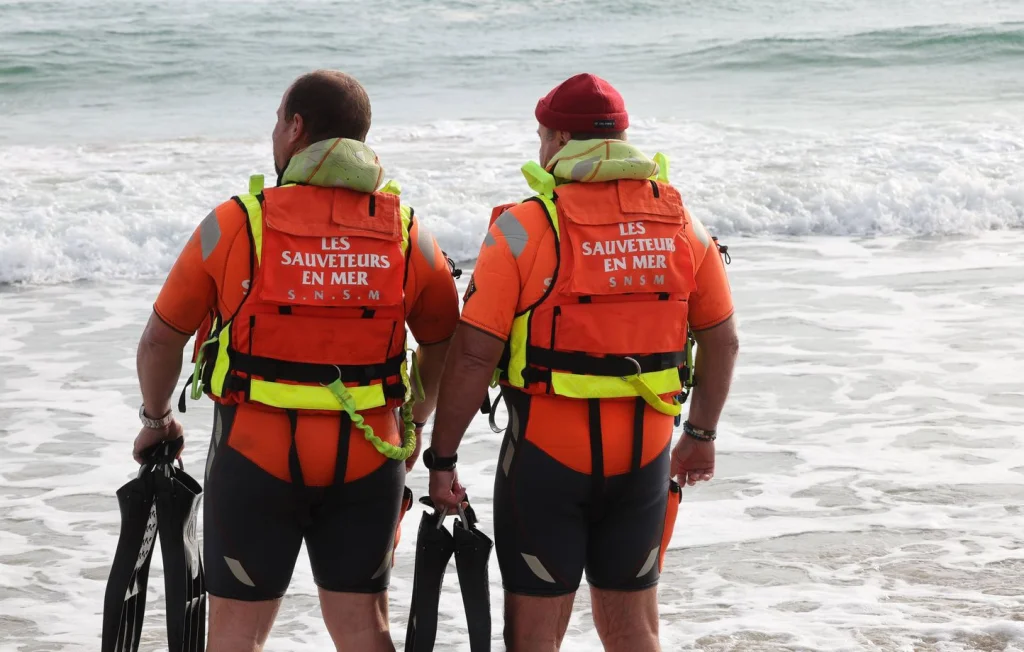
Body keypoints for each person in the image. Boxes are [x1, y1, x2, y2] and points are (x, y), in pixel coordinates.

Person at [133, 70, 460, 651]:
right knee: (364, 627)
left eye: (277, 118)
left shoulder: (237, 223)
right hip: (368, 459)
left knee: (236, 635)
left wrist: (158, 421)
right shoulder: (407, 232)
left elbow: (162, 341)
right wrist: (415, 422)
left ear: (296, 127)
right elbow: (444, 340)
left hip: (255, 458)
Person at [425, 73, 739, 651]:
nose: (539, 149)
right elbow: (723, 340)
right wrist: (700, 433)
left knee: (535, 639)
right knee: (634, 631)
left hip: (546, 465)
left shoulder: (523, 228)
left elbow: (473, 355)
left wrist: (441, 459)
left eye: (542, 136)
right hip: (643, 462)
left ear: (560, 140)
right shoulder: (680, 225)